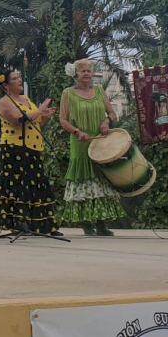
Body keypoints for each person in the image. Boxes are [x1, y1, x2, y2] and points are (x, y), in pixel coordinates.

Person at [57, 58, 125, 235]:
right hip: (80, 142)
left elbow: (112, 113)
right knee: (83, 179)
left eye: (89, 70)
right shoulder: (68, 93)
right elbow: (62, 120)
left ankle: (101, 224)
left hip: (100, 141)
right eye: (83, 71)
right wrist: (77, 132)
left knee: (100, 179)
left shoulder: (99, 90)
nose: (87, 73)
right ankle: (86, 223)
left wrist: (106, 122)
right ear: (75, 74)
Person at [0, 70, 60, 236]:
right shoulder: (5, 102)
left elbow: (36, 124)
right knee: (18, 184)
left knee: (36, 184)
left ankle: (41, 225)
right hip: (14, 147)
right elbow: (20, 120)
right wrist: (41, 109)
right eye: (15, 78)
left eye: (19, 77)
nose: (19, 80)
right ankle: (18, 222)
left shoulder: (26, 99)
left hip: (33, 146)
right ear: (6, 85)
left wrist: (45, 116)